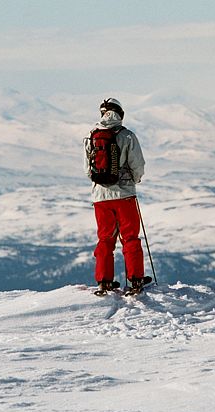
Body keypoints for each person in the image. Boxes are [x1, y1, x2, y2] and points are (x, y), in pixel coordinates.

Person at [84, 98, 147, 294]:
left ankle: (104, 281)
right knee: (130, 237)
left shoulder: (90, 136)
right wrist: (133, 182)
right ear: (120, 113)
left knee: (105, 238)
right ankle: (135, 279)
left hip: (100, 197)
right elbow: (138, 165)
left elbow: (88, 170)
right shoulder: (127, 136)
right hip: (125, 195)